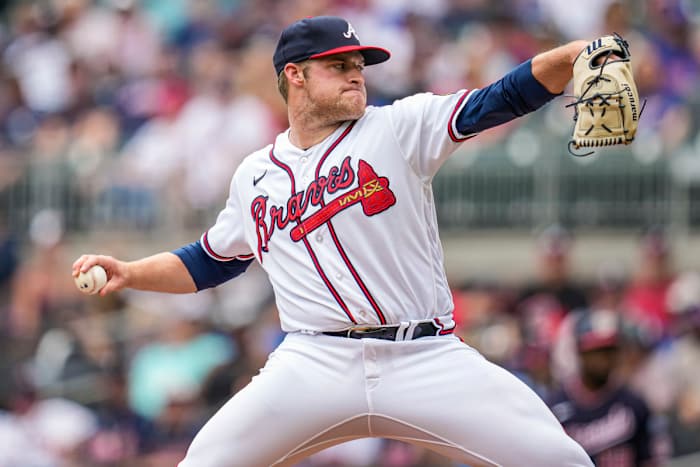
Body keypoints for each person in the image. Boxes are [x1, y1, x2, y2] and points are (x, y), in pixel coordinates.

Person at [73, 15, 597, 466]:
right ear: (294, 76)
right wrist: (130, 271)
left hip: (424, 354)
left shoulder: (398, 127)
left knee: (560, 458)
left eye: (358, 66)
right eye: (338, 66)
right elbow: (211, 261)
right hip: (312, 363)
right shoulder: (256, 175)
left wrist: (574, 56)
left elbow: (498, 99)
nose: (356, 76)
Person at [548, 309, 669, 467]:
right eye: (596, 351)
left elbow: (650, 459)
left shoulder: (634, 403)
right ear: (580, 352)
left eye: (609, 351)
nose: (604, 359)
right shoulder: (556, 407)